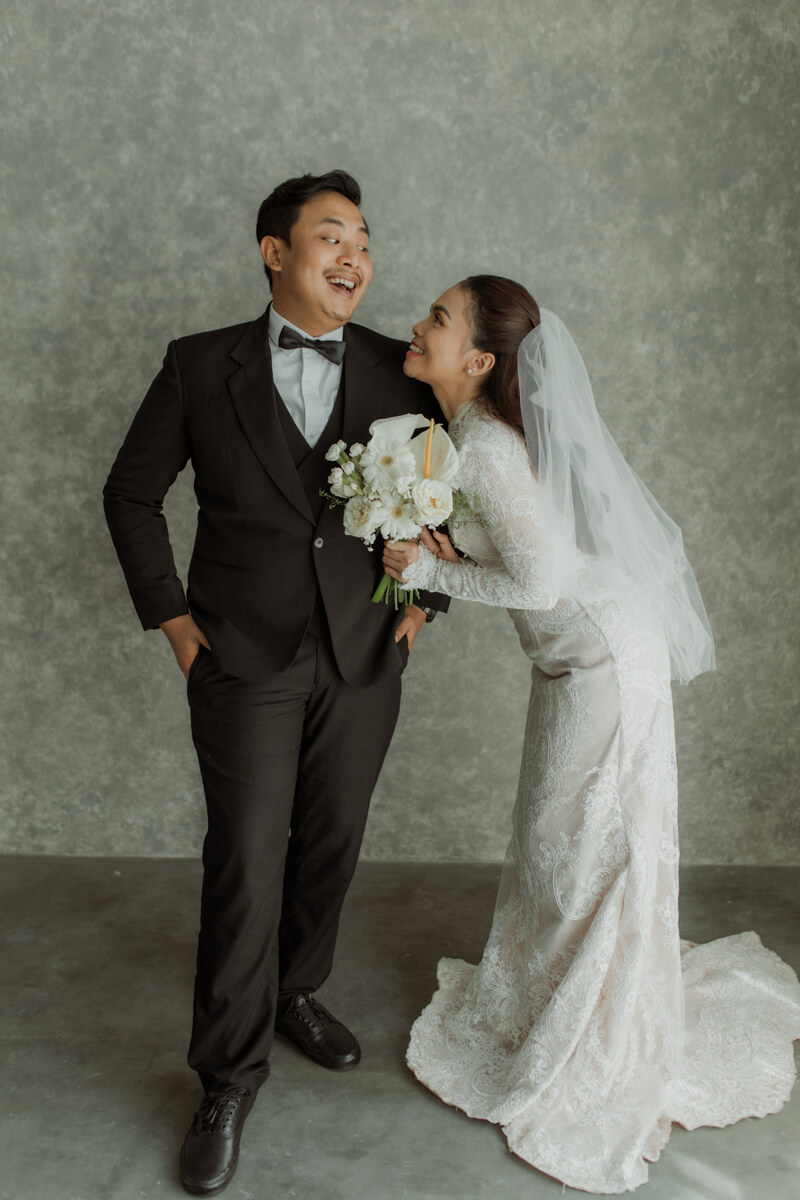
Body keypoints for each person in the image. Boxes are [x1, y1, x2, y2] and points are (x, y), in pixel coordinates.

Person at [383, 275, 800, 1194]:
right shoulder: (469, 438)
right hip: (584, 653)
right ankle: (549, 1001)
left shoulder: (484, 449)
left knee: (571, 846)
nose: (417, 325)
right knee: (563, 841)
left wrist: (429, 571)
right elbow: (535, 551)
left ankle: (582, 1025)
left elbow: (538, 585)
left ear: (478, 359)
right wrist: (449, 551)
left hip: (601, 660)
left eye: (438, 318)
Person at [103, 170, 447, 1197]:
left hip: (363, 655)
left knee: (331, 844)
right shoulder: (197, 365)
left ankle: (294, 990)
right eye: (331, 236)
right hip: (240, 658)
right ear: (274, 252)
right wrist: (174, 624)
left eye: (364, 242)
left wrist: (425, 607)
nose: (354, 258)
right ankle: (225, 1077)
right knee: (246, 861)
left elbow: (445, 500)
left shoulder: (399, 368)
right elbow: (130, 493)